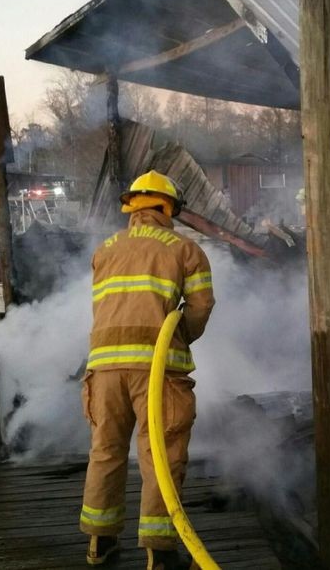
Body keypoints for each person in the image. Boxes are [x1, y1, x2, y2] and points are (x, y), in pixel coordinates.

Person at [80, 170, 216, 570]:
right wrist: (179, 336)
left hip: (103, 369)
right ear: (167, 207)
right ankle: (160, 552)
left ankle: (99, 543)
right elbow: (201, 306)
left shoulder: (105, 250)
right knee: (161, 454)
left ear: (132, 206)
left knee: (105, 450)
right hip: (157, 371)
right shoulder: (185, 249)